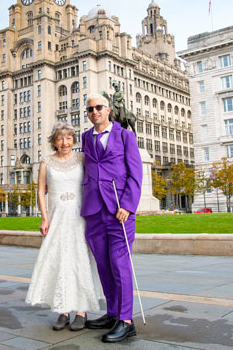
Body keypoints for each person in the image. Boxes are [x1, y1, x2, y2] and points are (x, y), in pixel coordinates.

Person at [26, 122, 102, 331]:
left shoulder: (81, 159)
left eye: (68, 138)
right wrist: (44, 218)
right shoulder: (46, 162)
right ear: (54, 142)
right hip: (56, 216)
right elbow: (41, 191)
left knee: (79, 259)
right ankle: (62, 310)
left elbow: (94, 181)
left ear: (73, 140)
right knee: (60, 259)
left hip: (79, 216)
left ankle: (81, 311)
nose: (65, 142)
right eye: (60, 138)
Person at [81, 94, 143, 343]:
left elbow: (136, 174)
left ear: (108, 110)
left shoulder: (125, 135)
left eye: (98, 107)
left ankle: (126, 321)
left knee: (120, 264)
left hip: (119, 211)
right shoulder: (86, 137)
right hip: (94, 210)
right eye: (90, 109)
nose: (94, 111)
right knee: (104, 266)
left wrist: (128, 205)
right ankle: (112, 312)